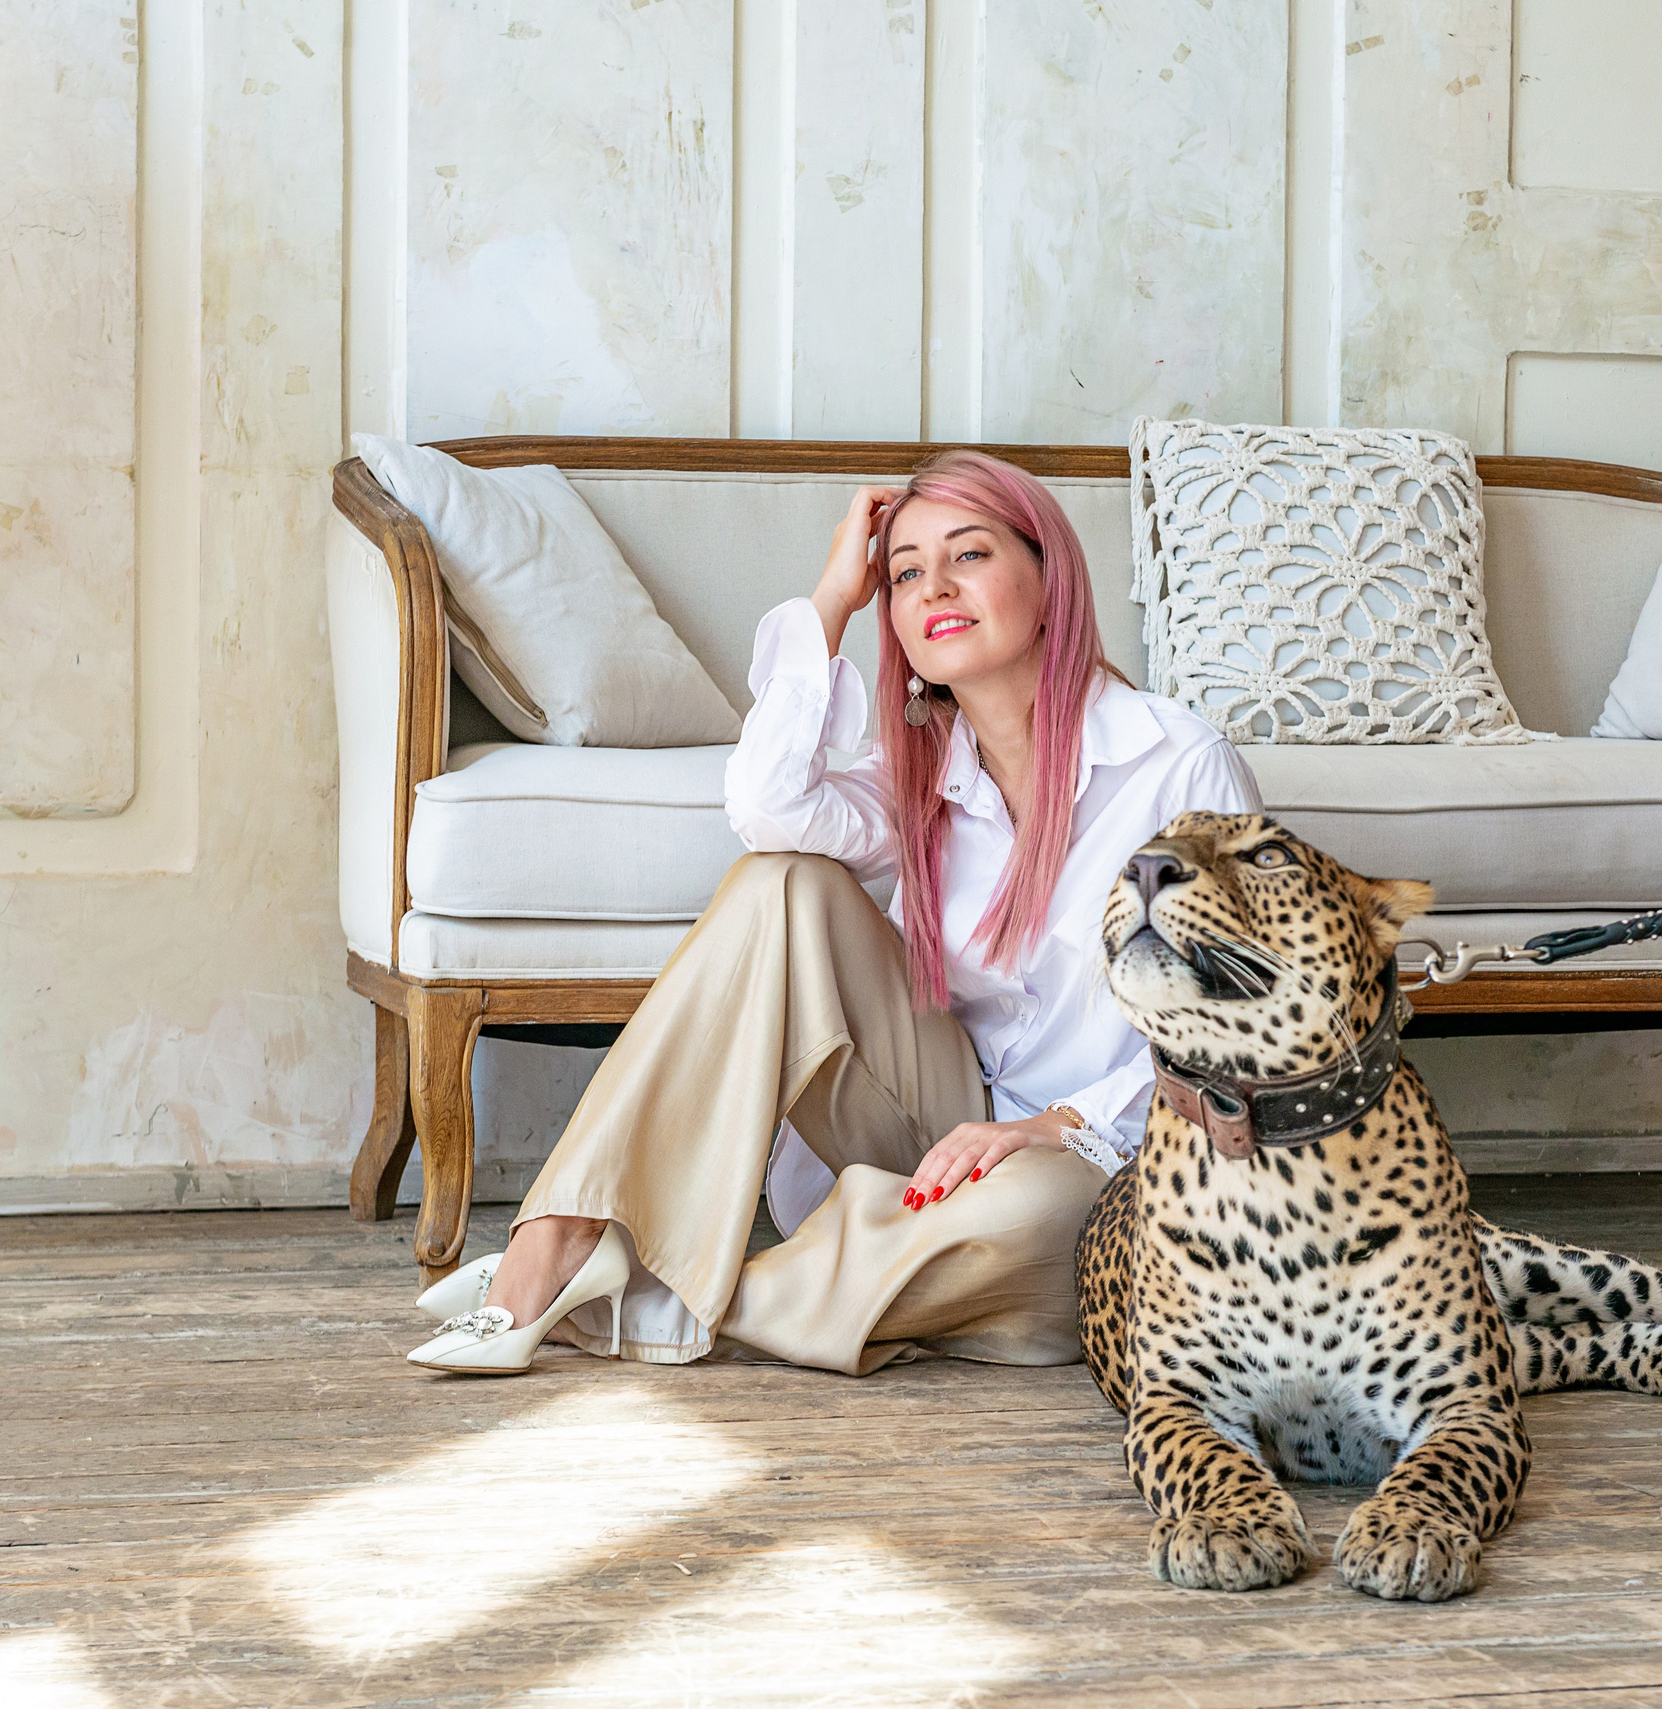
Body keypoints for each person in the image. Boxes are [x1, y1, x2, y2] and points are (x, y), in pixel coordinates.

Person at [404, 450, 1260, 1376]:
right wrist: (830, 602)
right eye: (903, 572)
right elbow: (767, 808)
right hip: (937, 1124)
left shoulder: (1176, 767)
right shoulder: (925, 768)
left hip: (1106, 1155)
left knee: (1040, 1214)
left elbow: (1237, 1039)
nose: (933, 585)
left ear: (1050, 580)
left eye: (969, 555)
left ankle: (652, 1295)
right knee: (785, 883)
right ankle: (561, 1237)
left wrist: (1047, 1128)